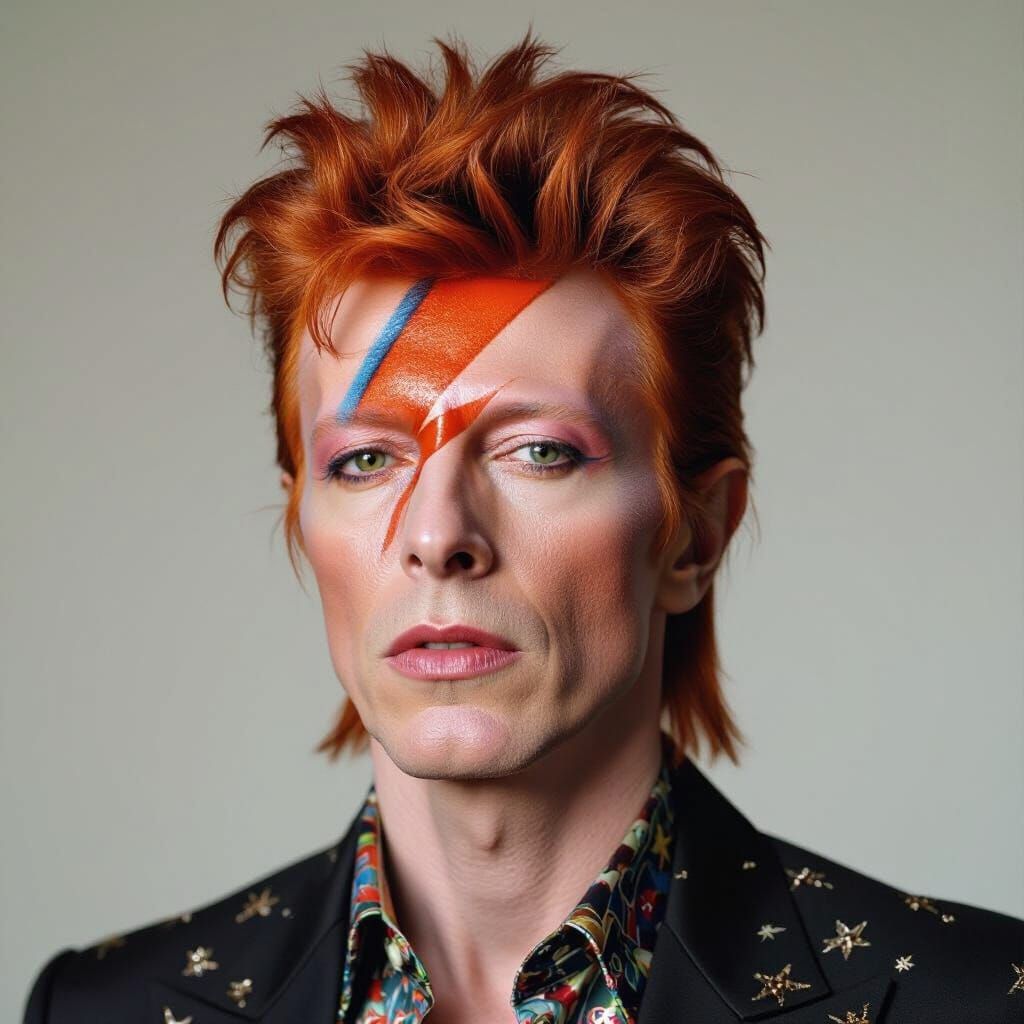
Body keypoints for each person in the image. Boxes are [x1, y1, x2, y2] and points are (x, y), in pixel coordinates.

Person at [23, 31, 1023, 1024]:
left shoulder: (978, 1002)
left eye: (540, 450)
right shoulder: (94, 1010)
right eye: (365, 459)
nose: (437, 535)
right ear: (301, 518)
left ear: (695, 536)